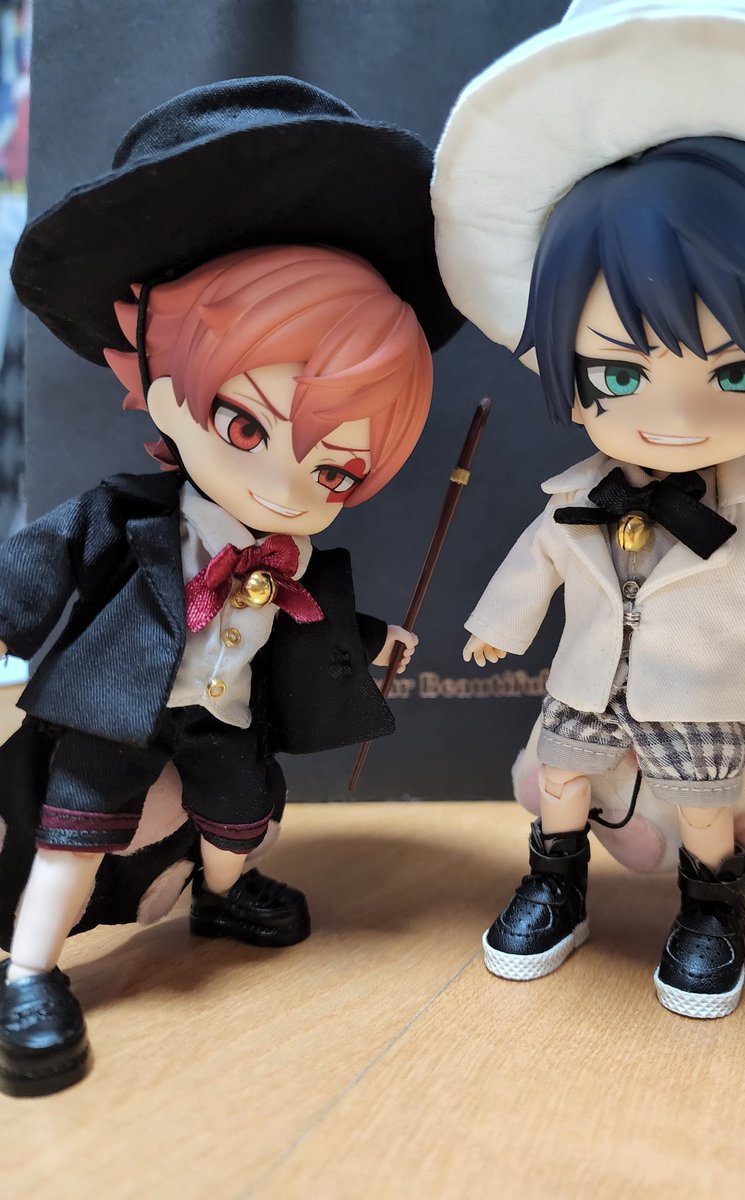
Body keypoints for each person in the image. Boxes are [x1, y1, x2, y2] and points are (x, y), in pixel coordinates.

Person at [431, 0, 745, 1018]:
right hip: (586, 682)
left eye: (736, 375)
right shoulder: (575, 499)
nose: (676, 420)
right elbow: (536, 561)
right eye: (618, 371)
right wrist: (497, 625)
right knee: (563, 776)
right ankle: (555, 883)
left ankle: (709, 909)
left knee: (704, 804)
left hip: (706, 696)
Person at [0, 76, 460, 1096]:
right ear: (160, 386)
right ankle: (29, 974)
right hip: (114, 715)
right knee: (74, 835)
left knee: (241, 818)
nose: (287, 486)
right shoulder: (126, 516)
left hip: (226, 719)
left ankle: (224, 896)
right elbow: (34, 570)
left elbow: (307, 624)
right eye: (244, 426)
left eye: (335, 471)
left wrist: (371, 637)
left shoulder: (290, 556)